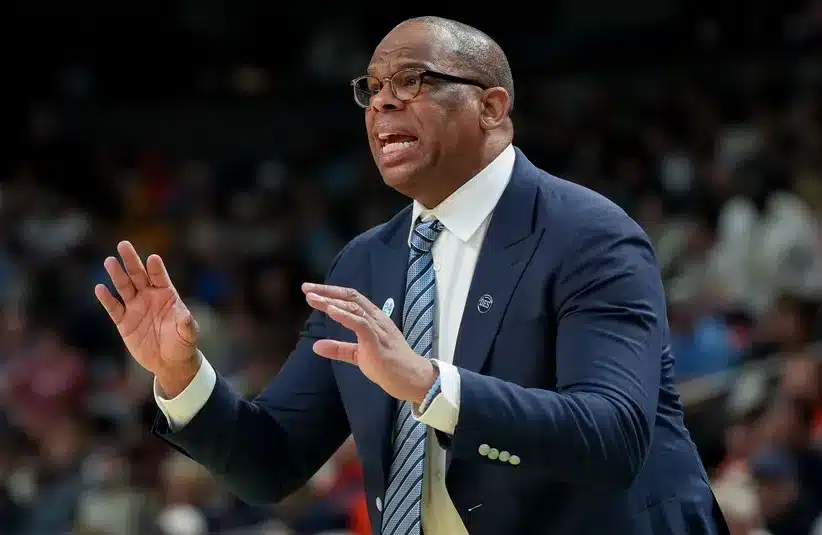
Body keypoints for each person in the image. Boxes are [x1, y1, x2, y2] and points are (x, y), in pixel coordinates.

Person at [94, 16, 729, 535]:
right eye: (371, 88)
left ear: (491, 107)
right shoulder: (367, 262)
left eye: (413, 80)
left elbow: (613, 435)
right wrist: (179, 374)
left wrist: (429, 384)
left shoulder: (588, 235)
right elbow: (272, 463)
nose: (384, 100)